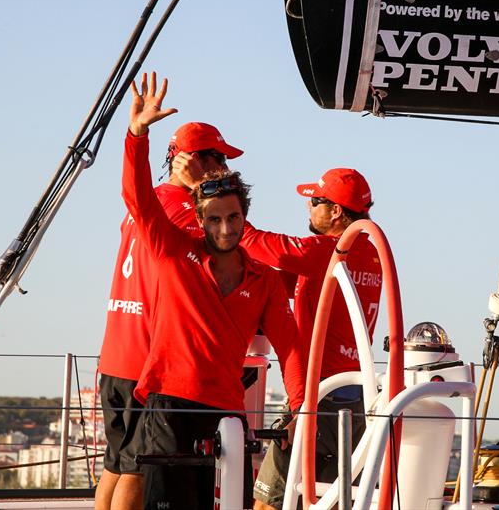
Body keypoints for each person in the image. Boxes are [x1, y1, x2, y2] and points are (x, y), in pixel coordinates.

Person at [123, 71, 307, 510]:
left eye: (233, 219)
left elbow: (291, 345)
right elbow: (138, 199)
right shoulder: (173, 251)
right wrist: (137, 134)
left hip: (226, 412)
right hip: (170, 406)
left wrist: (300, 409)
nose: (225, 229)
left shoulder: (261, 278)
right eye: (214, 219)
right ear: (200, 219)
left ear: (245, 219)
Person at [95, 102, 243, 508]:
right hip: (146, 359)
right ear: (193, 160)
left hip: (115, 354)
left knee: (115, 464)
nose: (224, 167)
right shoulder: (186, 212)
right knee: (137, 471)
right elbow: (229, 249)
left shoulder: (150, 201)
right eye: (218, 157)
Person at [238, 168, 383, 510]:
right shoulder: (369, 253)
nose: (308, 208)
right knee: (331, 500)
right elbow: (288, 282)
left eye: (315, 201)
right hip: (355, 400)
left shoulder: (331, 251)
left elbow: (265, 246)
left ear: (335, 211)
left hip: (317, 397)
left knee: (269, 501)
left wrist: (229, 215)